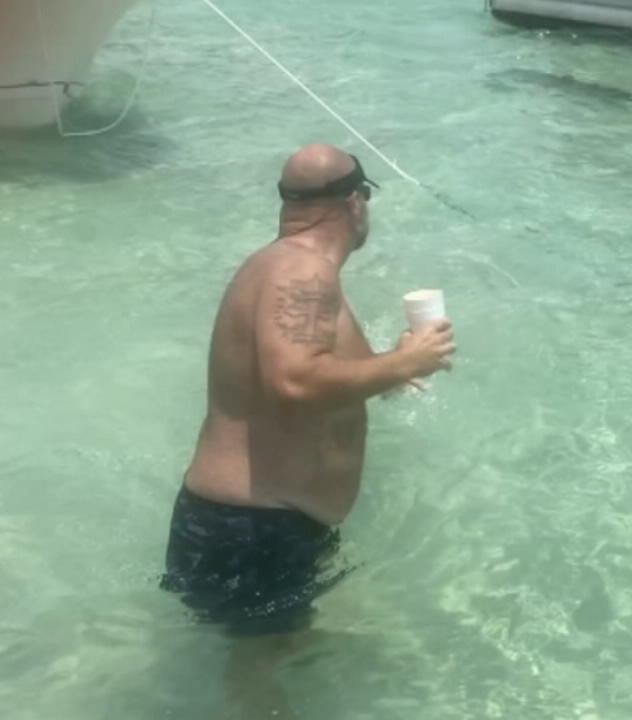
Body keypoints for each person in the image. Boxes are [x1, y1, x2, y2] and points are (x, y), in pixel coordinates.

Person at [160, 143, 457, 636]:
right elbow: (295, 383)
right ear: (355, 202)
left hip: (256, 522)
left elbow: (329, 380)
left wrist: (396, 365)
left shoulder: (288, 267)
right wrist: (406, 361)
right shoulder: (303, 271)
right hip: (255, 527)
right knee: (262, 672)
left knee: (275, 661)